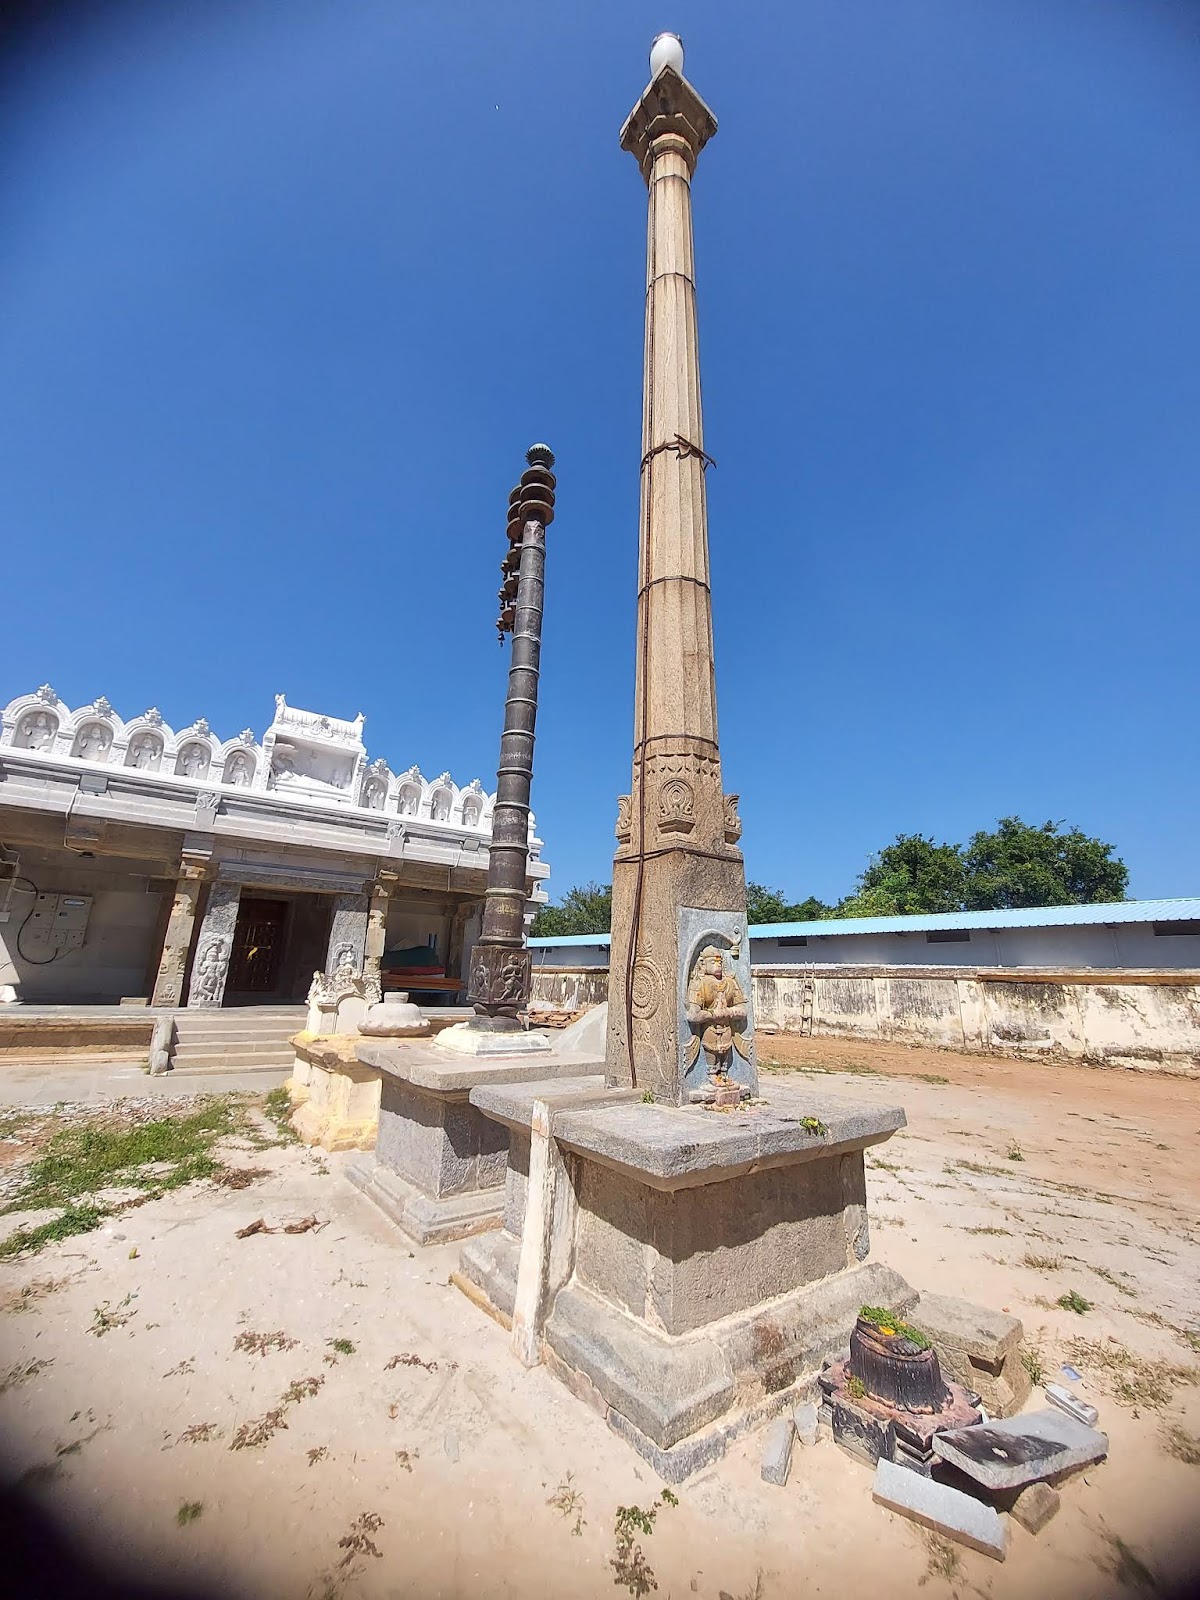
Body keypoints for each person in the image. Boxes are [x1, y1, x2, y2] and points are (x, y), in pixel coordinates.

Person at [684, 946, 751, 1079]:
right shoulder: (699, 984)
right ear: (703, 964)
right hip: (710, 1029)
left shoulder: (730, 982)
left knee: (724, 1061)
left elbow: (743, 1010)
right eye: (713, 962)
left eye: (720, 962)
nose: (718, 965)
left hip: (726, 1029)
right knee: (712, 1057)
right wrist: (712, 1014)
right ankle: (712, 1074)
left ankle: (724, 1074)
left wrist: (728, 1012)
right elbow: (693, 1015)